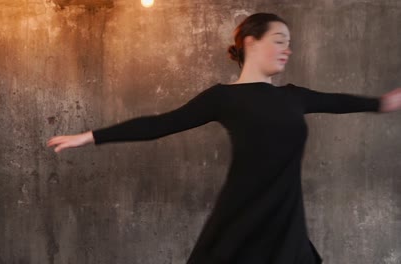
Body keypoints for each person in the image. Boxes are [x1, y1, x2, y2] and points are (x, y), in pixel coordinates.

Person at [47, 13, 401, 264]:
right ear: (251, 42)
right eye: (279, 41)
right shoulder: (223, 98)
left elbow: (347, 102)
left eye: (290, 44)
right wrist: (90, 136)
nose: (287, 49)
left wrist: (385, 102)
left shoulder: (295, 96)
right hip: (241, 222)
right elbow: (160, 124)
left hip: (285, 223)